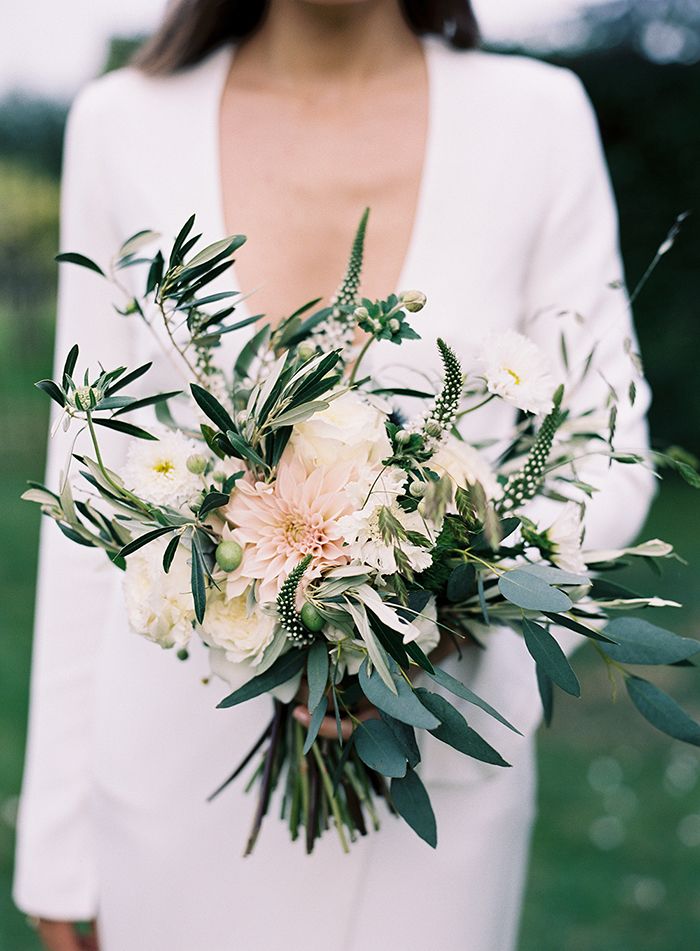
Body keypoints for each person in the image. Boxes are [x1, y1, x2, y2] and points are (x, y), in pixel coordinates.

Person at [14, 2, 655, 949]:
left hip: (433, 781)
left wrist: (451, 593)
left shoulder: (537, 117)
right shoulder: (124, 122)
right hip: (171, 775)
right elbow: (84, 481)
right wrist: (56, 848)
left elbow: (608, 446)